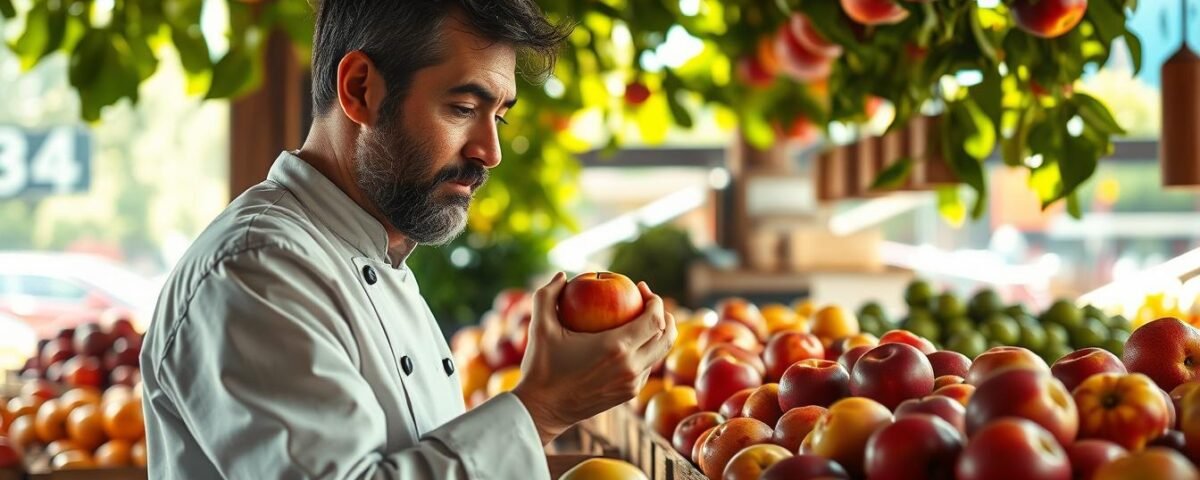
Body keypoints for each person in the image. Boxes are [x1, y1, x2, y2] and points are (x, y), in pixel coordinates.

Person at [139, 1, 677, 478]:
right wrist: (542, 409)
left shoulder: (375, 252)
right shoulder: (255, 270)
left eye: (499, 117)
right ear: (360, 90)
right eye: (464, 108)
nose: (490, 152)